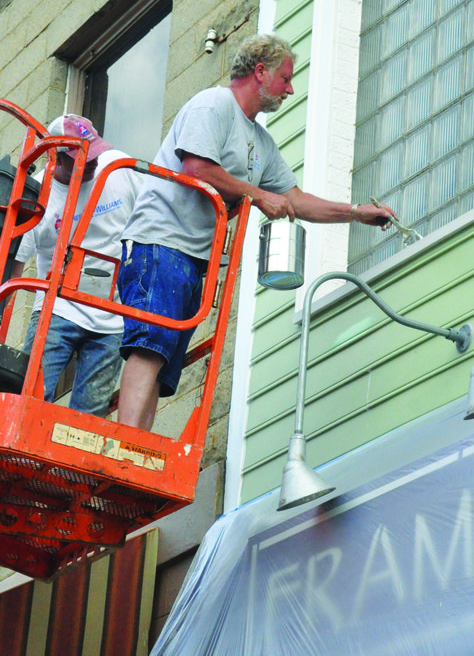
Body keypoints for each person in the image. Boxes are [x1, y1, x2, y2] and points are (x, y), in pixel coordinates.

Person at [117, 33, 396, 430]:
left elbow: (295, 200)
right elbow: (196, 168)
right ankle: (126, 445)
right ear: (260, 72)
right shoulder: (213, 104)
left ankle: (138, 450)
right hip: (159, 241)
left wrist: (356, 213)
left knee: (161, 362)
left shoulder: (261, 142)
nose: (290, 88)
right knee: (148, 347)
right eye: (285, 78)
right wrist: (257, 194)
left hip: (194, 259)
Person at [13, 114, 143, 417]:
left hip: (112, 317)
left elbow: (157, 211)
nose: (93, 162)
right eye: (82, 158)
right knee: (27, 402)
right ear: (56, 157)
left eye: (94, 152)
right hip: (56, 310)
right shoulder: (38, 195)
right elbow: (14, 269)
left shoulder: (118, 168)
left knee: (88, 420)